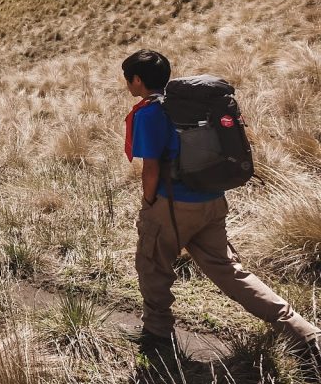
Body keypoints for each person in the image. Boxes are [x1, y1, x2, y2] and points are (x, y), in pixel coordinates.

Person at [122, 49, 321, 363]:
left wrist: (149, 204)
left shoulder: (150, 114)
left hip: (173, 205)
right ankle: (303, 332)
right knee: (230, 271)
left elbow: (151, 168)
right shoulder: (190, 107)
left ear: (136, 80)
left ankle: (157, 335)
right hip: (212, 199)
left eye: (127, 79)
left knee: (152, 266)